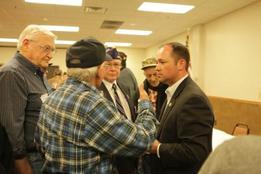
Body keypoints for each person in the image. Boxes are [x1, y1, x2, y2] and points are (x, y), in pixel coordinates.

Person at [36, 38, 158, 173]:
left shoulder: (52, 96)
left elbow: (40, 144)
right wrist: (145, 104)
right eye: (106, 65)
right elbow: (142, 140)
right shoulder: (93, 104)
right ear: (100, 70)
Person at [148, 42, 215, 174]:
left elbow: (196, 151)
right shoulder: (173, 92)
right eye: (157, 62)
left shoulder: (193, 99)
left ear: (181, 64)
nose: (157, 68)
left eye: (162, 62)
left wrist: (158, 148)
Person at [0, 24, 56, 174]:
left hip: (44, 155)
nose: (51, 55)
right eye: (46, 48)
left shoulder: (37, 73)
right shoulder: (13, 73)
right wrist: (21, 163)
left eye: (52, 50)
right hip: (29, 159)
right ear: (26, 44)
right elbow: (12, 125)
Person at [99, 47, 137, 174]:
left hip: (131, 153)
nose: (113, 68)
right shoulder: (94, 91)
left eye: (116, 64)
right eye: (108, 64)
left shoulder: (124, 88)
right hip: (109, 158)